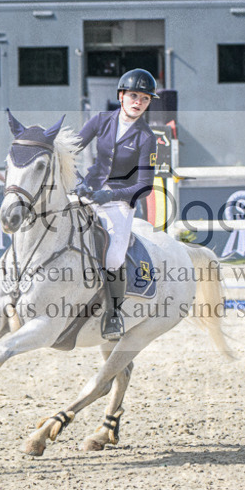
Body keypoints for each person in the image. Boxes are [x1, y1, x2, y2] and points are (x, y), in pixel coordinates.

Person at [76, 68, 159, 341]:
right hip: (90, 188)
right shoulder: (100, 120)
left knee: (113, 257)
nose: (138, 102)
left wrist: (110, 196)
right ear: (121, 96)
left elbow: (145, 186)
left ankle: (114, 313)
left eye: (144, 99)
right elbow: (71, 149)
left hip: (122, 201)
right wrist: (78, 180)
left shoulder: (147, 138)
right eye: (133, 95)